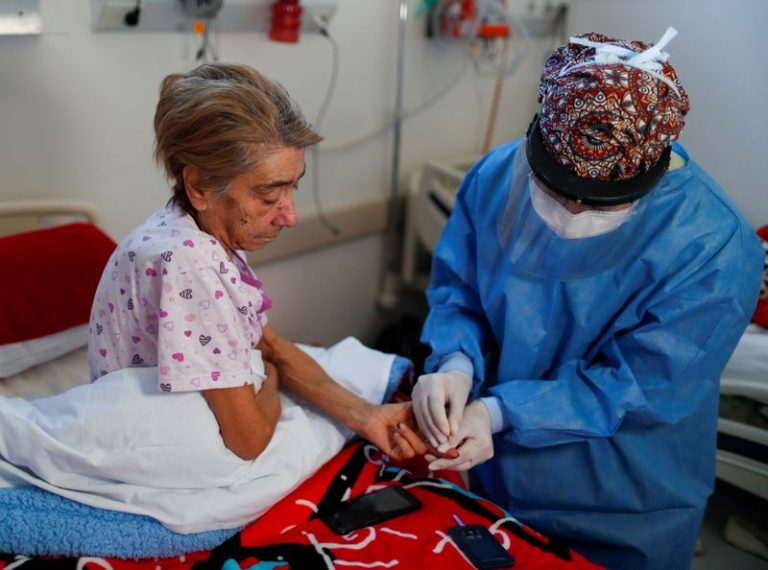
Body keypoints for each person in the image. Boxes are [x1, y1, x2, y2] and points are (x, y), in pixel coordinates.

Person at [412, 28, 764, 569]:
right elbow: (460, 290)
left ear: (650, 169)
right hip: (490, 471)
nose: (572, 212)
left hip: (623, 496)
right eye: (555, 189)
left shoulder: (715, 247)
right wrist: (455, 362)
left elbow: (642, 383)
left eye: (599, 202)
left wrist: (502, 410)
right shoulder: (496, 177)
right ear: (539, 141)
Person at [88, 62, 430, 463]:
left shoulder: (200, 226)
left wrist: (368, 416)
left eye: (293, 188)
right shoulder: (189, 261)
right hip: (159, 446)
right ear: (199, 186)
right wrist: (272, 377)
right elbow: (247, 441)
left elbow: (268, 344)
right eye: (269, 197)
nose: (290, 216)